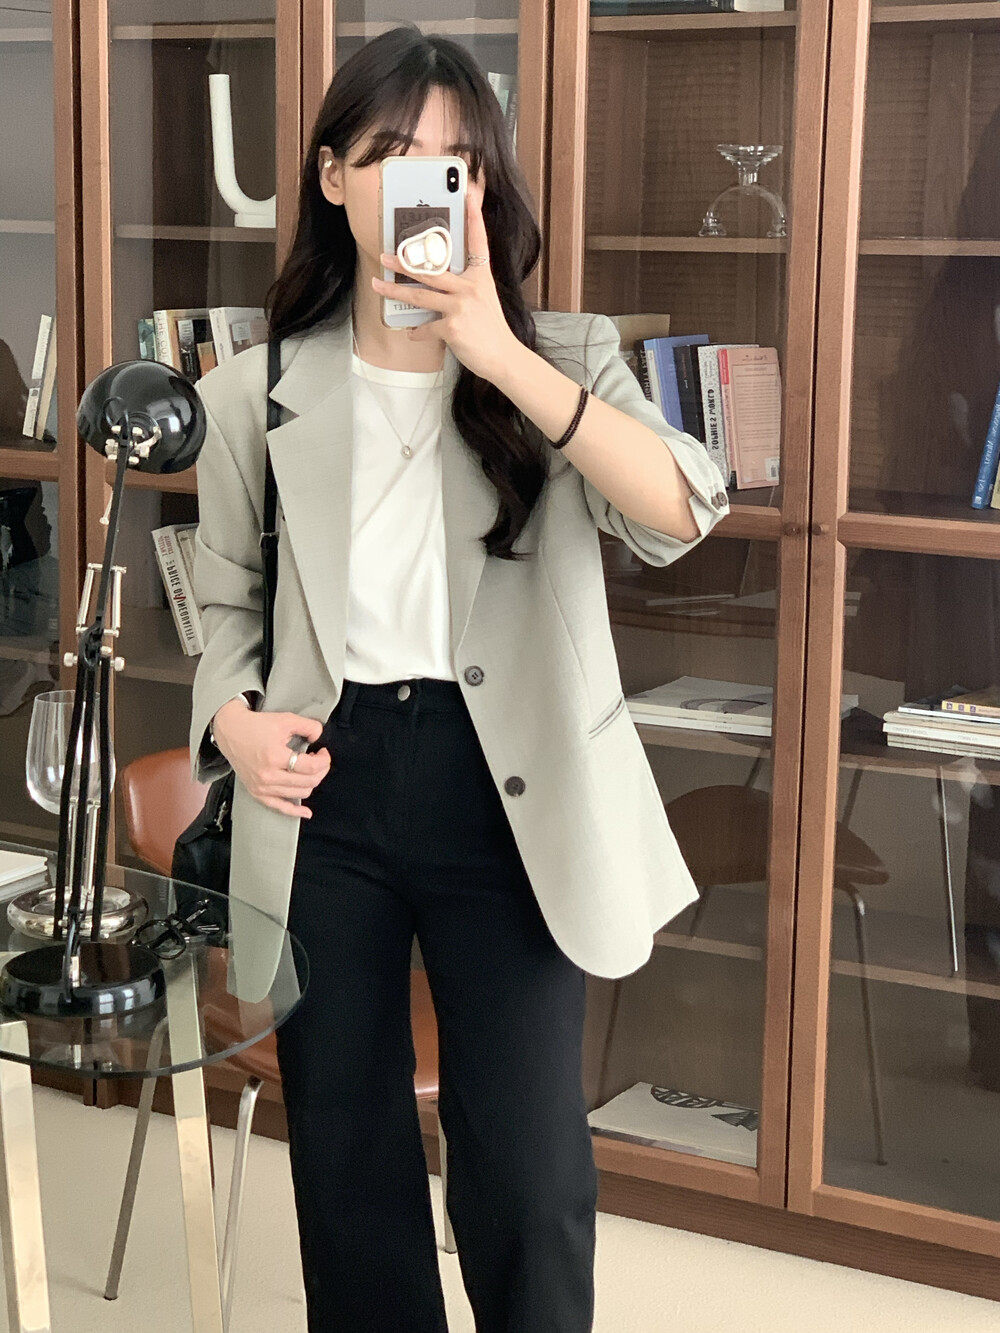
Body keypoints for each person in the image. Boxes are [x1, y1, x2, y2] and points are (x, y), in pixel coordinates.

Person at [188, 24, 728, 1333]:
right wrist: (234, 725)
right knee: (346, 1159)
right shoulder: (255, 392)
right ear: (333, 178)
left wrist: (499, 355)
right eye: (389, 153)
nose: (424, 182)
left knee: (531, 1174)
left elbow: (682, 509)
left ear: (481, 189)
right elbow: (225, 603)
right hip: (328, 788)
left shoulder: (565, 356)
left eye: (455, 160)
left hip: (511, 791)